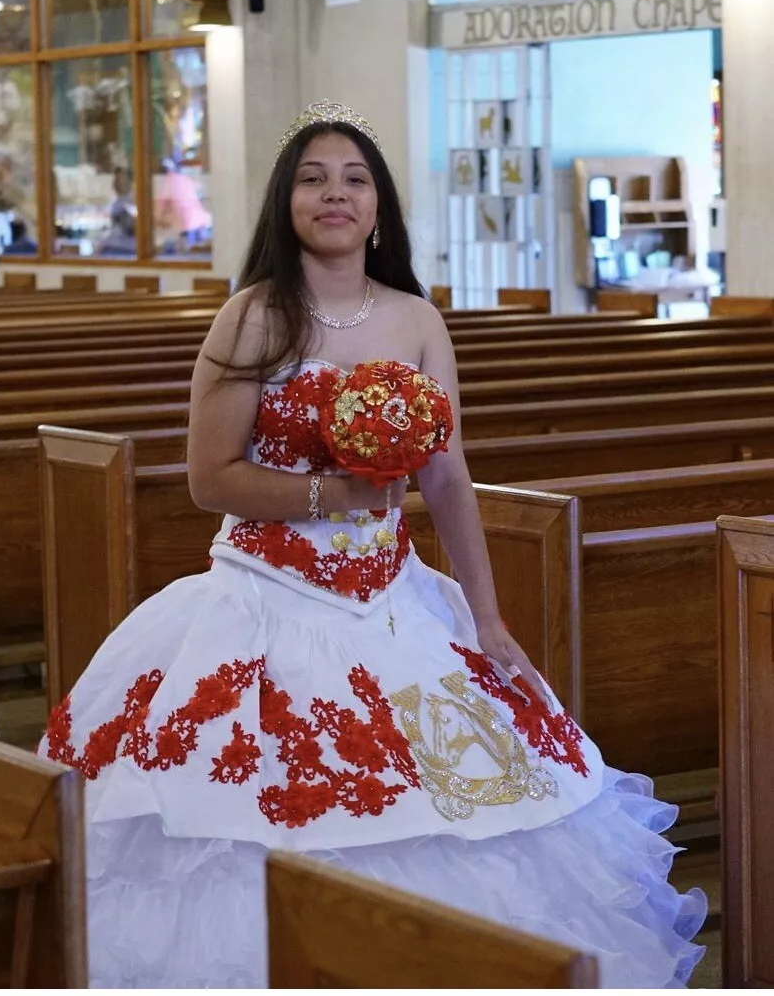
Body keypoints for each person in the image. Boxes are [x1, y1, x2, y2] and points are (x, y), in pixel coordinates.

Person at [40, 101, 706, 988]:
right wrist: (331, 491)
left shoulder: (416, 320)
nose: (334, 194)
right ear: (286, 203)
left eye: (354, 179)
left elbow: (447, 477)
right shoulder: (250, 318)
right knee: (248, 821)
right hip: (263, 602)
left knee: (466, 808)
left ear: (380, 209)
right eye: (313, 179)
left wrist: (487, 616)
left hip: (395, 604)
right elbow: (211, 478)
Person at [98, 168, 137, 256]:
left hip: (126, 251)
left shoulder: (133, 203)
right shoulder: (115, 202)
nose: (117, 184)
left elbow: (129, 228)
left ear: (130, 183)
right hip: (112, 249)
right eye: (116, 180)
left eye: (121, 180)